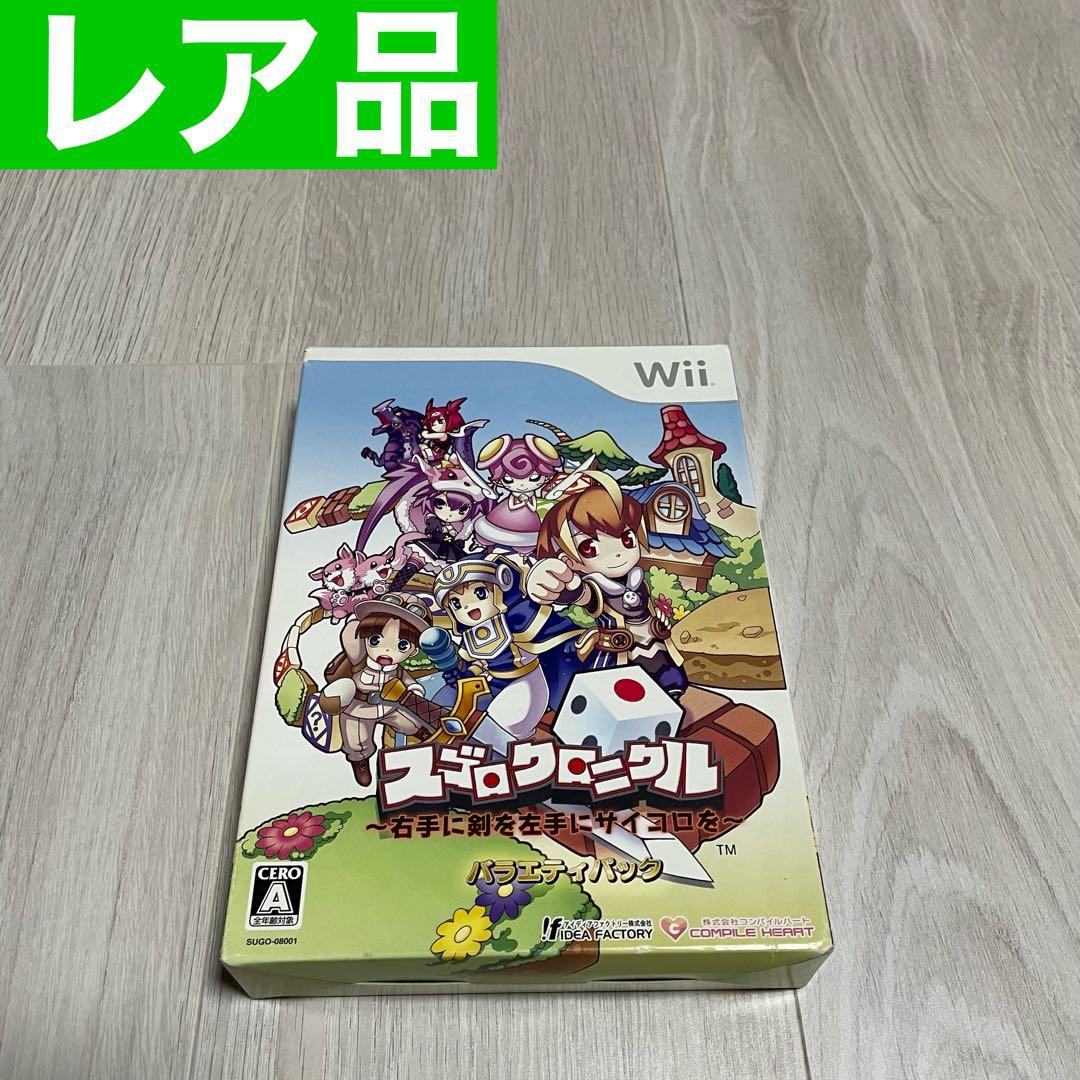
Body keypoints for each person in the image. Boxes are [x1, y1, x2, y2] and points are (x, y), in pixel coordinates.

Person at [525, 473, 687, 698]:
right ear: (569, 560)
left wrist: (659, 620)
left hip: (657, 647)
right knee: (622, 695)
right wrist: (554, 580)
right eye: (590, 548)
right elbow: (576, 592)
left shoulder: (636, 578)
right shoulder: (596, 588)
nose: (617, 552)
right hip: (618, 656)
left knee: (672, 682)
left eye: (626, 539)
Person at [317, 594, 432, 787]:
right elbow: (350, 633)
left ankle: (423, 733)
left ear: (413, 651)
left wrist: (414, 689)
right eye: (376, 640)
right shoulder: (358, 661)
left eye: (401, 645)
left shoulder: (396, 669)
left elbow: (407, 679)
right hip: (357, 709)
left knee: (409, 722)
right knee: (357, 741)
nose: (387, 651)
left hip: (389, 705)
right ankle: (359, 761)